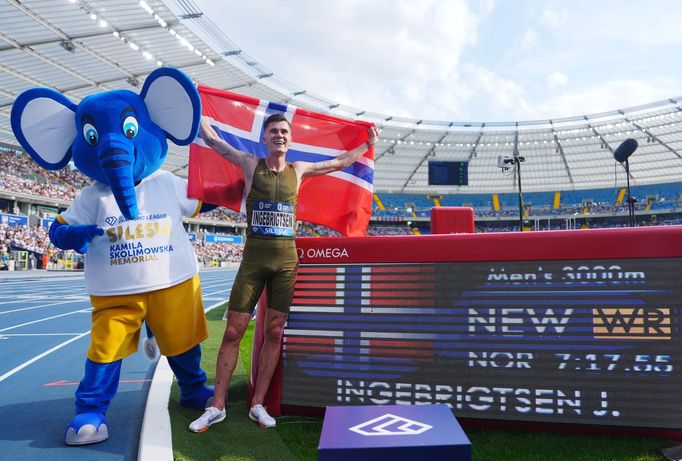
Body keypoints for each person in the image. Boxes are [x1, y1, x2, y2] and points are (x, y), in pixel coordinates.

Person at [189, 113, 378, 432]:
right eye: (273, 131)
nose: (279, 135)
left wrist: (367, 146)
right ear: (264, 139)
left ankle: (258, 404)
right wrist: (197, 112)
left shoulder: (298, 170)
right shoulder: (250, 163)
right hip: (253, 260)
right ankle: (217, 406)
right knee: (233, 331)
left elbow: (336, 163)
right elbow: (214, 142)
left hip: (286, 262)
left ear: (290, 141)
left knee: (275, 332)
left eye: (284, 132)